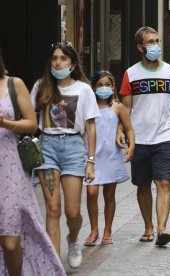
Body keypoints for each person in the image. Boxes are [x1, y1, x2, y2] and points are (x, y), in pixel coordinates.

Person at [117, 26, 170, 246]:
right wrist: (121, 131)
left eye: (157, 41)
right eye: (151, 42)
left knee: (163, 182)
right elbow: (125, 106)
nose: (156, 45)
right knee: (142, 185)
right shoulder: (131, 74)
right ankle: (148, 226)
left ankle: (162, 229)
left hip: (166, 136)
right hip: (139, 138)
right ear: (140, 47)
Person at [31, 42, 100, 268]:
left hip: (73, 147)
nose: (58, 62)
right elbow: (30, 118)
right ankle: (53, 264)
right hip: (47, 146)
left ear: (72, 63)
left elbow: (90, 127)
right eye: (54, 58)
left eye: (63, 58)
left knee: (72, 212)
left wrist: (90, 160)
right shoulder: (41, 86)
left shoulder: (83, 89)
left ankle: (72, 239)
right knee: (53, 209)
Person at [0, 52, 65, 275]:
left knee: (10, 241)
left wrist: (6, 123)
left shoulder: (13, 84)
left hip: (9, 167)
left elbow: (30, 124)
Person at [83, 71, 135, 246]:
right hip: (92, 157)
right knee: (91, 192)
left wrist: (131, 147)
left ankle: (107, 231)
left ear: (113, 87)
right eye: (99, 85)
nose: (103, 88)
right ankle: (93, 230)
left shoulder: (118, 107)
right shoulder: (88, 107)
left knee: (109, 195)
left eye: (107, 84)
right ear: (93, 88)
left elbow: (129, 129)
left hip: (111, 156)